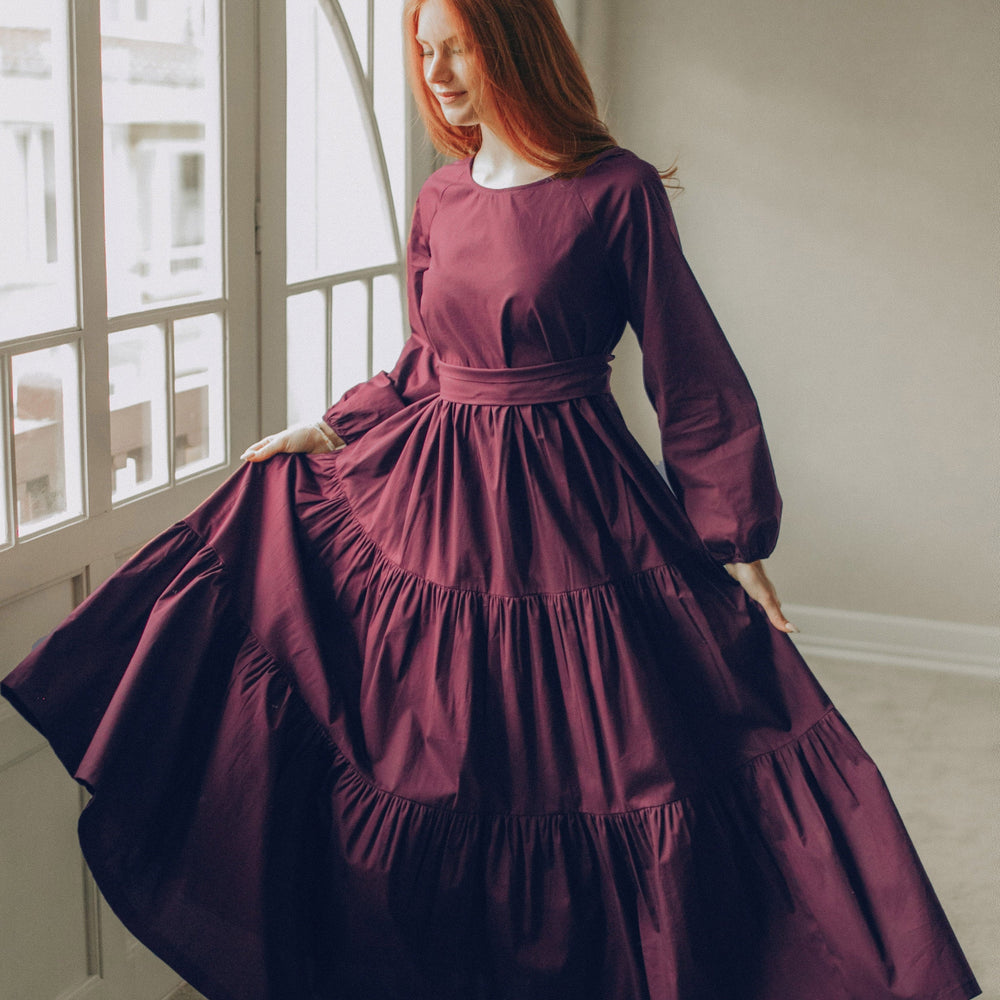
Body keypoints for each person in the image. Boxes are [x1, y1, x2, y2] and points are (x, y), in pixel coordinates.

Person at [1, 1, 980, 999]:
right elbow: (429, 354)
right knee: (438, 758)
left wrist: (736, 537)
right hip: (437, 497)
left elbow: (687, 367)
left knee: (621, 759)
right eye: (422, 53)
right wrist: (332, 427)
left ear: (511, 45)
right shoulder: (442, 196)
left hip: (575, 500)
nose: (435, 75)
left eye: (456, 49)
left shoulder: (617, 189)